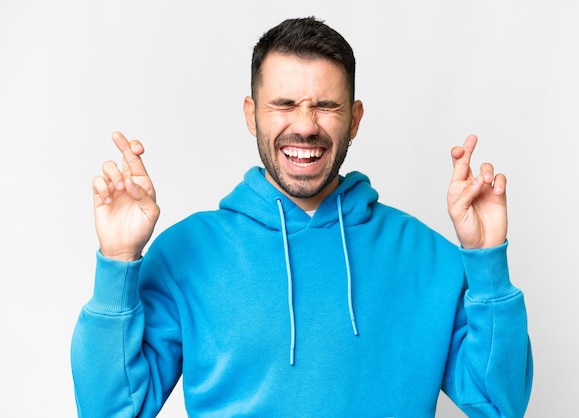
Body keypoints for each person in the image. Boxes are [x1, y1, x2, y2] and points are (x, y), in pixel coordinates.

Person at [71, 16, 533, 417]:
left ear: (354, 119)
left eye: (326, 105)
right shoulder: (185, 254)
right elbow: (112, 411)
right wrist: (117, 263)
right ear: (252, 115)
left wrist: (487, 259)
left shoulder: (427, 255)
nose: (306, 125)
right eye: (285, 104)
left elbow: (500, 404)